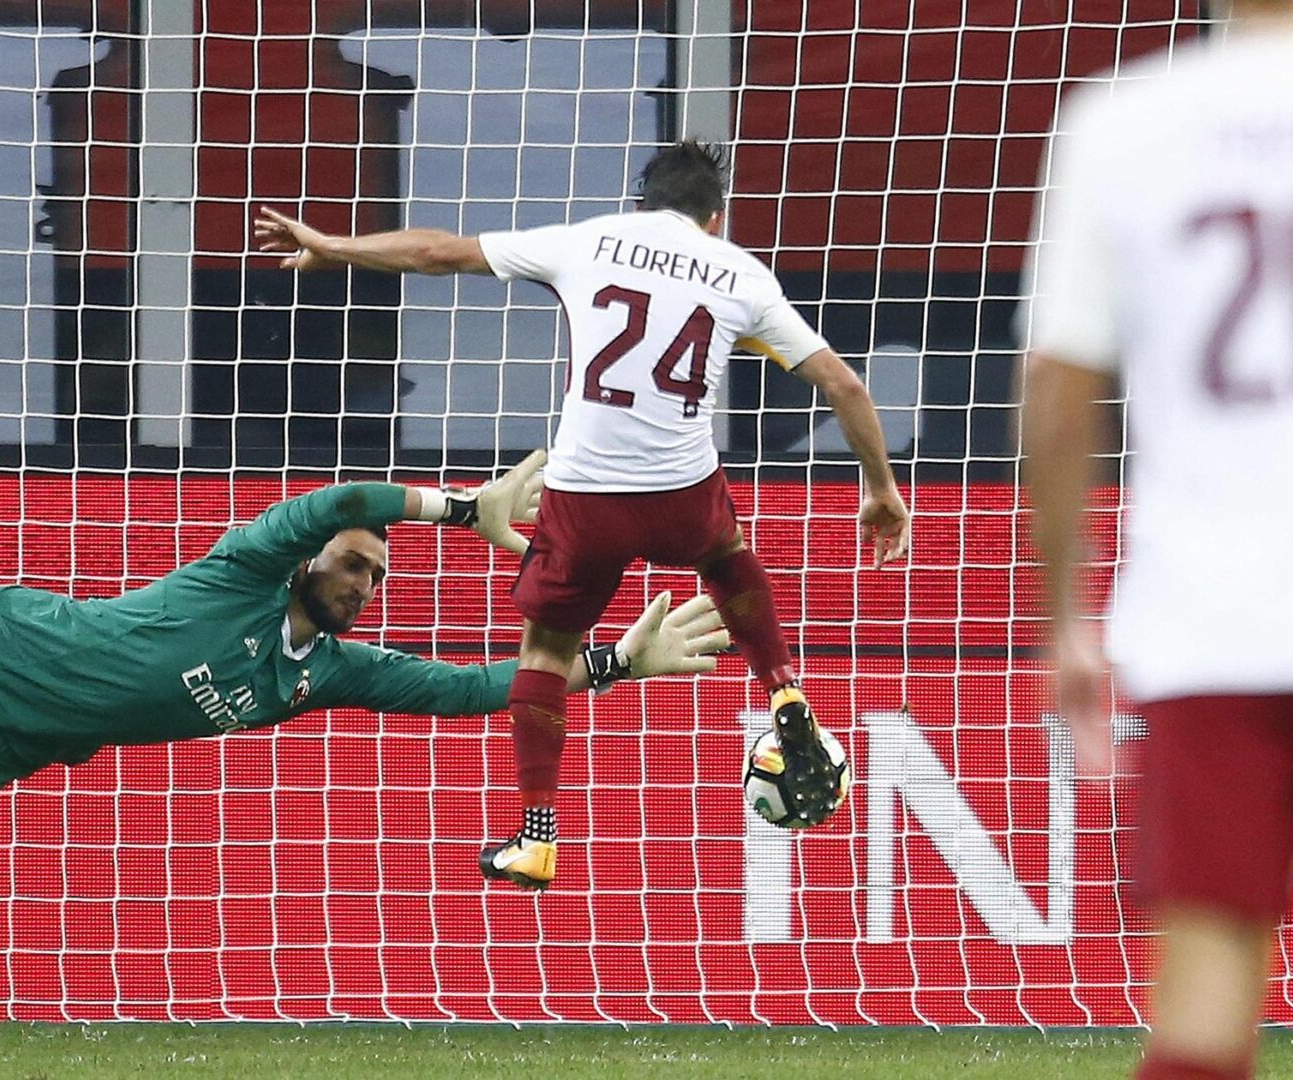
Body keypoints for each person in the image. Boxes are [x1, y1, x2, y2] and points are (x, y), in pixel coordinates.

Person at [0, 446, 729, 1055]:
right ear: (306, 562)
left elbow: (475, 689)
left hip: (1, 741)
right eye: (354, 562)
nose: (365, 578)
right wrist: (458, 504)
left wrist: (617, 664)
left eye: (379, 573)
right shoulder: (247, 564)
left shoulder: (317, 672)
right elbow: (338, 495)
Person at [253, 140, 910, 889]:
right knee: (727, 556)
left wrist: (330, 246)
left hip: (586, 494)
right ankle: (785, 690)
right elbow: (846, 386)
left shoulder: (590, 240)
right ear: (715, 219)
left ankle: (536, 836)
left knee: (542, 654)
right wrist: (880, 489)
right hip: (680, 491)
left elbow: (439, 252)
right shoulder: (741, 274)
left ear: (642, 205)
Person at [1022, 4, 1293, 1078]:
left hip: (1211, 623)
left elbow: (1059, 389)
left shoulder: (1124, 123)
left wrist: (1068, 615)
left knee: (1205, 1010)